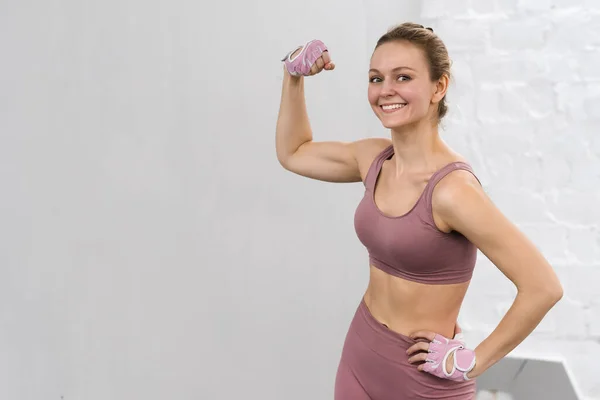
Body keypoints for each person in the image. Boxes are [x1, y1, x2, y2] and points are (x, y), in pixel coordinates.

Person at [275, 22, 563, 399]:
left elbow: (543, 287)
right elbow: (293, 153)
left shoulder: (453, 192)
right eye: (376, 78)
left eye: (403, 77)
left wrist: (474, 361)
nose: (385, 90)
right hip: (361, 355)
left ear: (438, 87)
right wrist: (292, 77)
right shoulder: (373, 159)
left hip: (423, 380)